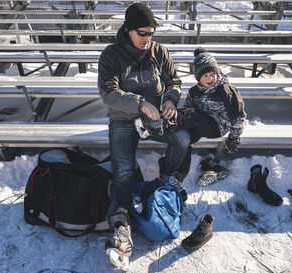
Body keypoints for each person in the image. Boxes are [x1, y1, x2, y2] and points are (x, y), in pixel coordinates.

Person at [97, 3, 190, 271]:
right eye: (142, 33)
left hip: (156, 118)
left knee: (182, 139)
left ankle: (165, 181)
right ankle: (121, 227)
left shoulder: (158, 51)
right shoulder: (111, 54)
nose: (147, 38)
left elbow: (174, 81)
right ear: (128, 29)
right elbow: (108, 92)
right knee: (123, 171)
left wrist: (170, 100)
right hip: (124, 119)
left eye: (151, 33)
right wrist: (140, 104)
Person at [136, 47, 246, 185]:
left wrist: (233, 139)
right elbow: (188, 110)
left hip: (218, 126)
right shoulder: (195, 91)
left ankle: (156, 123)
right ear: (198, 77)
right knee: (184, 139)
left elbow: (239, 116)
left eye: (212, 74)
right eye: (205, 76)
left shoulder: (226, 90)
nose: (210, 78)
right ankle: (177, 176)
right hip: (200, 124)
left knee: (196, 115)